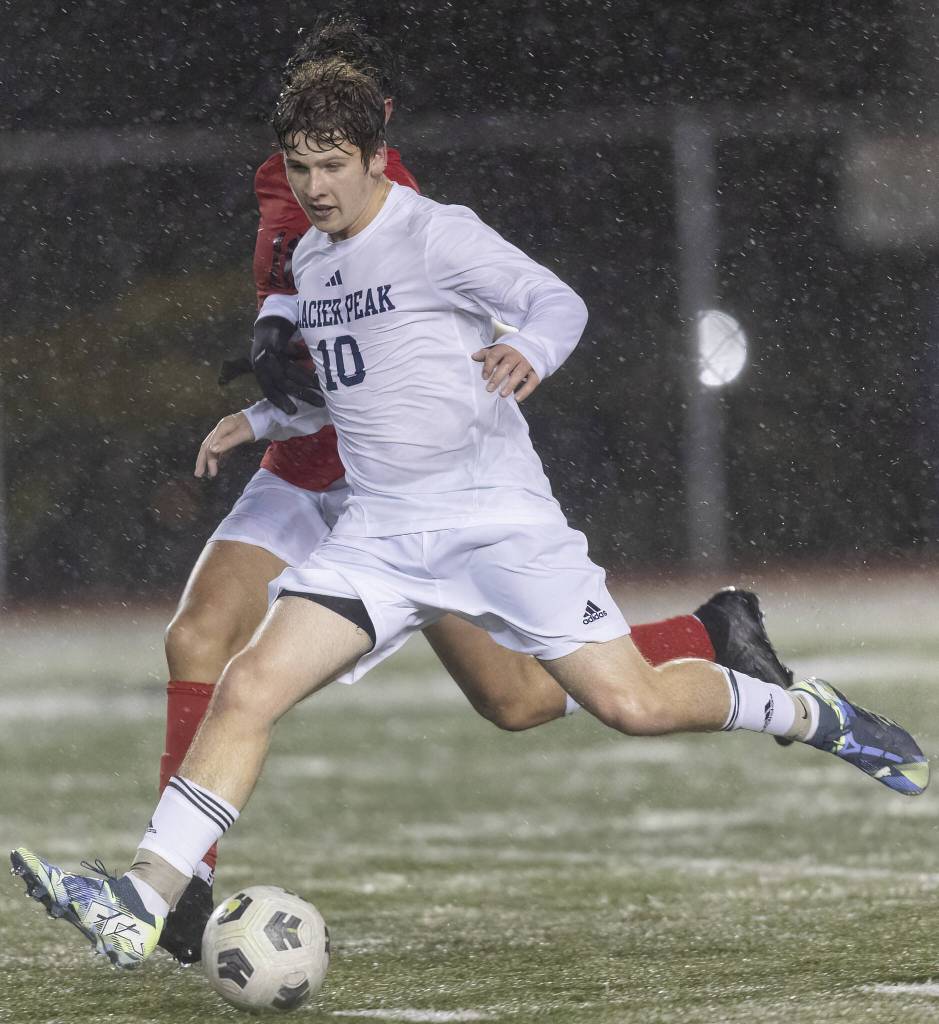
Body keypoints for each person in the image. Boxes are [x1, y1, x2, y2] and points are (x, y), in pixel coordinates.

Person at [18, 58, 926, 972]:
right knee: (248, 686)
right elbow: (350, 392)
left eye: (333, 165)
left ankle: (811, 717)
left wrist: (528, 347)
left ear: (377, 158)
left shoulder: (434, 234)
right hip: (380, 539)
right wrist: (257, 417)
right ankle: (140, 899)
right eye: (299, 168)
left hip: (495, 527)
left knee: (629, 705)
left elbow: (554, 301)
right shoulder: (313, 264)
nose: (315, 188)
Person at [156, 15, 796, 965]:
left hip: (409, 485)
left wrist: (515, 350)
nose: (312, 171)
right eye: (299, 144)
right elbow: (299, 287)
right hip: (315, 462)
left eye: (338, 143)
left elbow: (461, 309)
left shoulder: (397, 203)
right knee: (201, 636)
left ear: (377, 135)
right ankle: (178, 887)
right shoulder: (286, 177)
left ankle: (705, 637)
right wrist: (272, 350)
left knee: (519, 700)